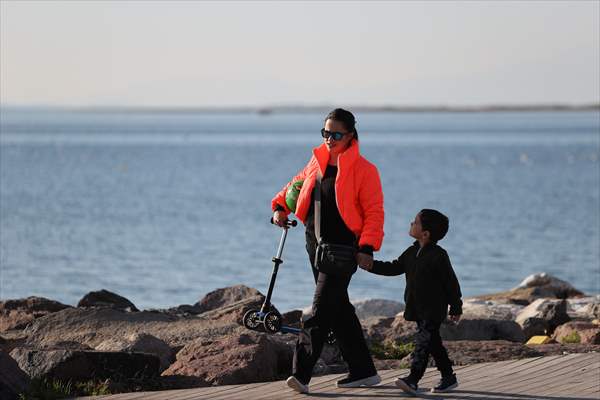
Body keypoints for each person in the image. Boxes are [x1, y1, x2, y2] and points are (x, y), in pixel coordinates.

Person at [271, 108, 384, 393]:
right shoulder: (318, 159)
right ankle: (363, 371)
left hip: (344, 248)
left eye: (336, 134)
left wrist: (368, 247)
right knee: (338, 308)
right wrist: (279, 207)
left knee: (319, 311)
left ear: (350, 135)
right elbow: (297, 184)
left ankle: (301, 374)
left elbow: (374, 213)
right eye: (325, 133)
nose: (329, 139)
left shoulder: (365, 170)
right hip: (315, 243)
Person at [359, 209, 462, 394]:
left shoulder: (439, 255)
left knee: (423, 343)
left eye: (415, 222)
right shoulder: (411, 251)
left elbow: (451, 284)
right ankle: (448, 377)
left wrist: (456, 306)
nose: (411, 223)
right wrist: (370, 265)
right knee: (433, 344)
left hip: (433, 310)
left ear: (425, 233)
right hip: (418, 308)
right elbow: (393, 268)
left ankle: (413, 379)